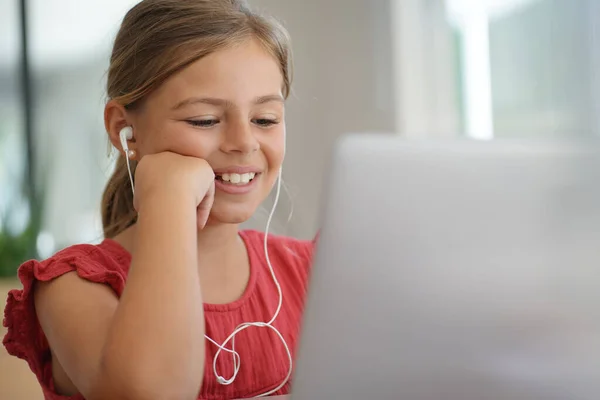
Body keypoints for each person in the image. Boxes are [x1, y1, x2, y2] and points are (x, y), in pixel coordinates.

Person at [2, 1, 315, 399]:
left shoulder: (315, 272)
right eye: (204, 120)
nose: (244, 143)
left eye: (265, 119)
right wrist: (168, 199)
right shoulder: (73, 286)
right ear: (124, 131)